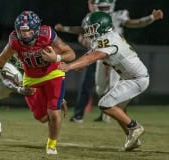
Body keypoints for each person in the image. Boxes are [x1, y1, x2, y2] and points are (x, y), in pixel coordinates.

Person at [0, 11, 76, 154]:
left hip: (52, 73)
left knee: (53, 113)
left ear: (36, 29)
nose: (25, 35)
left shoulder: (47, 34)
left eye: (28, 30)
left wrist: (56, 58)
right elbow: (2, 58)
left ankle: (51, 145)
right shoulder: (14, 40)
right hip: (31, 77)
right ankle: (57, 102)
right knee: (42, 118)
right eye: (22, 31)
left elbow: (71, 54)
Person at [58, 11, 149, 151]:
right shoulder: (104, 37)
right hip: (130, 77)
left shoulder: (108, 39)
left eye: (91, 27)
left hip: (136, 79)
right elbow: (90, 54)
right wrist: (79, 64)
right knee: (118, 109)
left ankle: (134, 127)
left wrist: (70, 66)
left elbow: (92, 57)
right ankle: (132, 138)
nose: (88, 31)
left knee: (105, 104)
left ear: (102, 26)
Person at [92, 0, 164, 122]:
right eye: (101, 7)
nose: (103, 9)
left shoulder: (117, 16)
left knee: (114, 86)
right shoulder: (93, 18)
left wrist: (151, 17)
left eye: (105, 7)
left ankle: (112, 115)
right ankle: (108, 112)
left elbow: (134, 23)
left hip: (115, 54)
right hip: (100, 53)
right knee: (100, 87)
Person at [54, 1, 96, 123]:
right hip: (93, 55)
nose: (92, 5)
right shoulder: (88, 18)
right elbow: (81, 35)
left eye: (93, 2)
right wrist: (86, 42)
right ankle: (79, 115)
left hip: (108, 54)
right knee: (86, 85)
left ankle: (115, 114)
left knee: (108, 86)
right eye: (91, 3)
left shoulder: (109, 16)